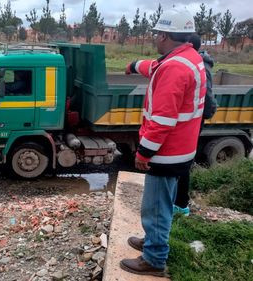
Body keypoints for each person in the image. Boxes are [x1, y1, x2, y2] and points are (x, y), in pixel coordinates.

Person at [122, 8, 206, 276]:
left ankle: (154, 259)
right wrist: (135, 65)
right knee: (161, 203)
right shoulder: (187, 57)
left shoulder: (174, 69)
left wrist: (144, 153)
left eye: (158, 33)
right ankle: (152, 241)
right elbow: (157, 66)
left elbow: (162, 121)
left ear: (166, 36)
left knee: (155, 206)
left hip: (167, 152)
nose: (155, 37)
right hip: (181, 148)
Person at [173, 33, 218, 215]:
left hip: (192, 121)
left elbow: (206, 97)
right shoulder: (194, 62)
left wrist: (198, 117)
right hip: (191, 119)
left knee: (182, 163)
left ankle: (181, 205)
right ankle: (178, 201)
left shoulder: (197, 65)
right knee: (179, 163)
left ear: (188, 45)